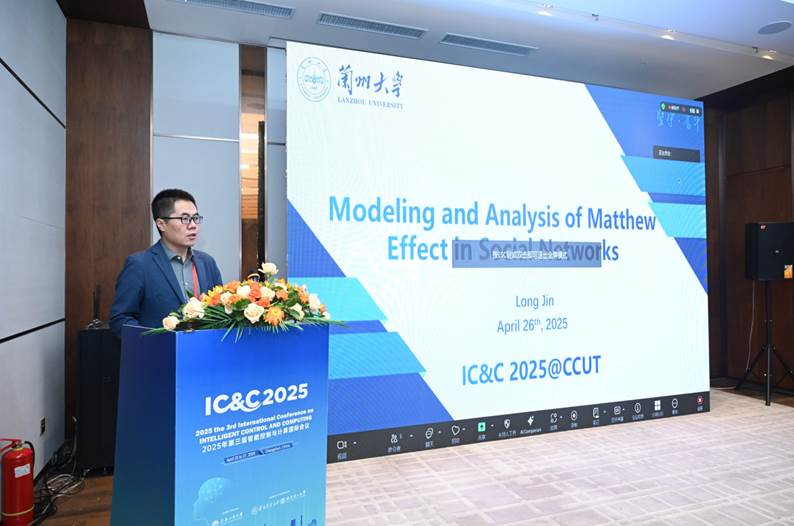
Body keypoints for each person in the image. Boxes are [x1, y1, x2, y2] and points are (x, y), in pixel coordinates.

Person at [109, 188, 223, 336]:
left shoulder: (207, 263)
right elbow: (120, 319)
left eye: (195, 218)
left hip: (202, 348)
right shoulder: (140, 265)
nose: (193, 225)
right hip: (158, 349)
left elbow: (220, 312)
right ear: (161, 224)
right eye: (184, 219)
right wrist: (155, 341)